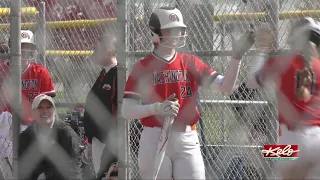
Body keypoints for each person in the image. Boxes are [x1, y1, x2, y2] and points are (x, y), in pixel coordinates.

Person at [121, 7, 254, 179]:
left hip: (187, 137)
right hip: (154, 138)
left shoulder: (190, 62)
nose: (176, 34)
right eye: (170, 30)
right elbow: (127, 110)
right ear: (155, 34)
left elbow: (226, 87)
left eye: (179, 30)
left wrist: (237, 58)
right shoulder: (143, 67)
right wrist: (157, 108)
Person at [246, 18, 320, 179]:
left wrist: (262, 49)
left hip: (290, 142)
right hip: (318, 141)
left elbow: (251, 82)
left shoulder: (281, 63)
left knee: (264, 151)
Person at [0, 30, 56, 132]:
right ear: (11, 49)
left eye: (27, 49)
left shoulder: (40, 72)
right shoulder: (2, 70)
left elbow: (48, 104)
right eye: (19, 48)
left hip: (31, 125)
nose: (23, 53)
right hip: (4, 124)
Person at [18, 94, 83, 180]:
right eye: (40, 108)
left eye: (49, 107)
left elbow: (72, 171)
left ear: (54, 111)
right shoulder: (26, 136)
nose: (45, 111)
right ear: (33, 112)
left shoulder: (66, 134)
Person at [83, 34, 118, 180]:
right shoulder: (104, 73)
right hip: (98, 138)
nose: (93, 53)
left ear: (108, 50)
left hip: (109, 140)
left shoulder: (118, 73)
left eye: (96, 49)